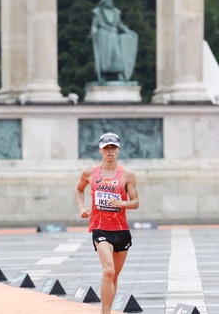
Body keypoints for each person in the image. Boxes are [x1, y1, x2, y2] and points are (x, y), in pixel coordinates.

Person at [75, 132, 139, 314]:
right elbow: (79, 190)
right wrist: (81, 207)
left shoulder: (127, 175)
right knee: (108, 271)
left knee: (114, 276)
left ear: (118, 150)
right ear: (100, 150)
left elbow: (136, 202)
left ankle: (108, 308)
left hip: (121, 230)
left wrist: (123, 203)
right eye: (106, 148)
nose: (110, 151)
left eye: (113, 148)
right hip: (100, 228)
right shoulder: (89, 173)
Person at [91, 0, 138, 83]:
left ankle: (120, 73)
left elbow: (120, 25)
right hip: (103, 36)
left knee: (117, 54)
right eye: (108, 1)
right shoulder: (98, 12)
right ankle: (104, 74)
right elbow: (94, 25)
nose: (110, 2)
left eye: (111, 1)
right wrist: (94, 33)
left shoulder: (116, 12)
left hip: (114, 36)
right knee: (105, 56)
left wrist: (128, 31)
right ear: (104, 2)